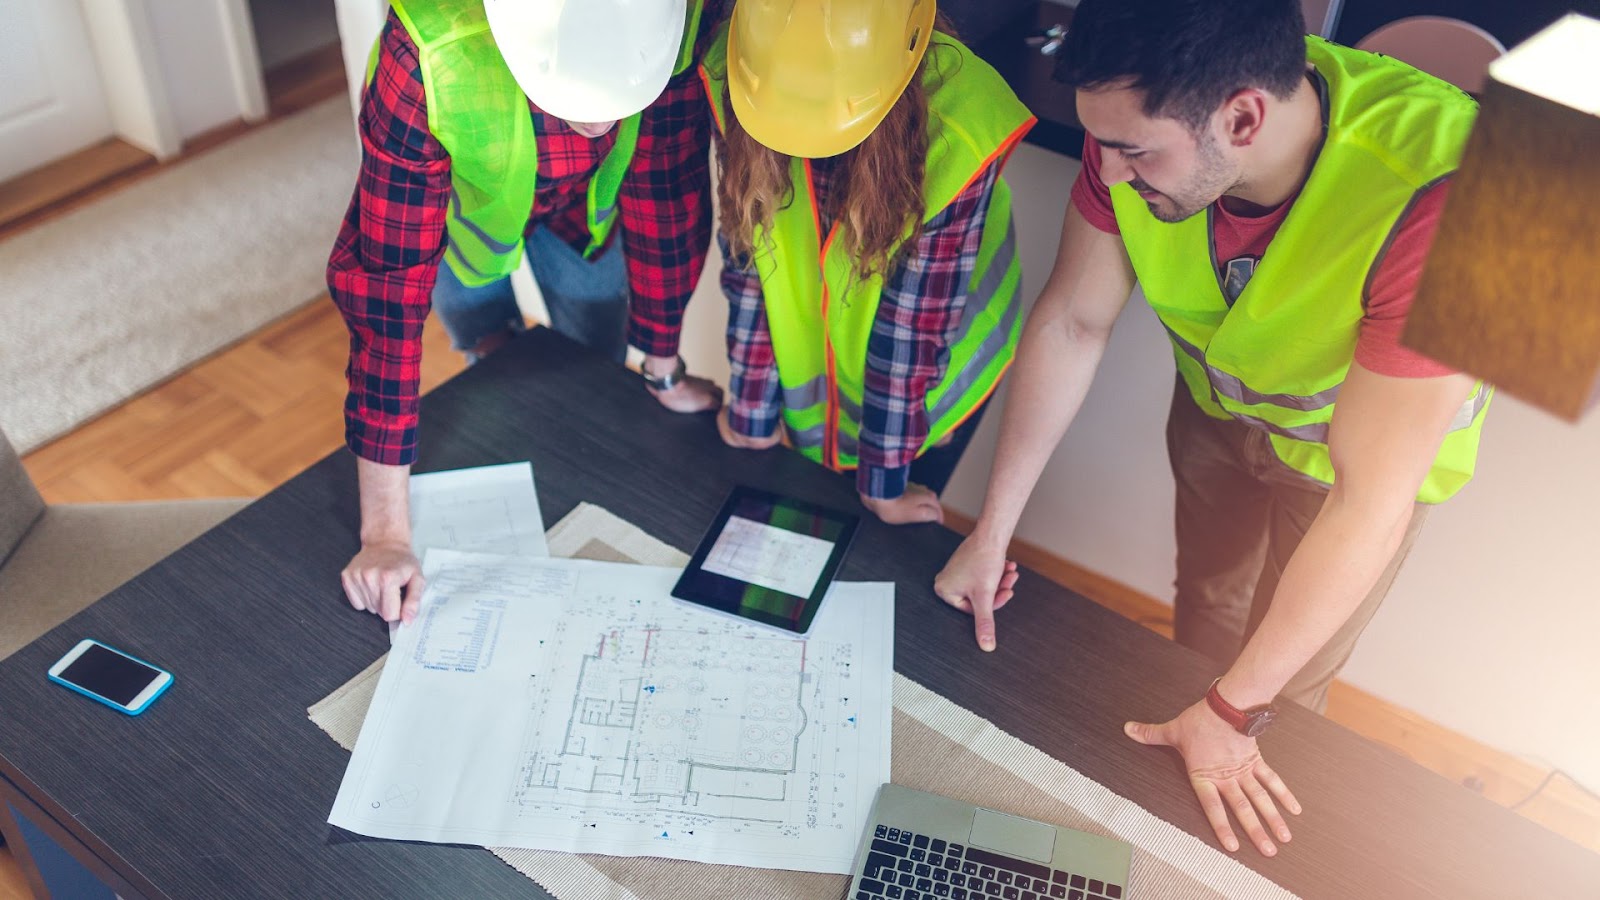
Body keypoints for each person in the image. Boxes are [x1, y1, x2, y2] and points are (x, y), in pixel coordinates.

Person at [934, 0, 1491, 857]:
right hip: (1218, 410)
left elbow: (1369, 501)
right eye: (1103, 146)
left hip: (1356, 472)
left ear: (1241, 118)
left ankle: (1222, 796)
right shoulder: (1132, 111)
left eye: (1135, 153)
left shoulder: (1455, 201)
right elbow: (1072, 323)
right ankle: (1182, 743)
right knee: (1206, 602)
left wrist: (1237, 710)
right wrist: (990, 530)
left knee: (1284, 689)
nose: (1111, 175)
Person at [330, 0, 725, 624]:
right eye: (578, 99)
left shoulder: (677, 20)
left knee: (591, 368)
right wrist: (383, 533)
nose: (600, 124)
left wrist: (663, 365)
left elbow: (665, 192)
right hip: (459, 215)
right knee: (486, 351)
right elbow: (388, 291)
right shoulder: (429, 54)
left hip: (582, 218)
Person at [700, 0, 1037, 527]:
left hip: (930, 380)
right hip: (820, 387)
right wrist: (752, 411)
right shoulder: (740, 69)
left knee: (880, 551)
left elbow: (913, 328)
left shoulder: (961, 123)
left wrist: (885, 481)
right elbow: (750, 256)